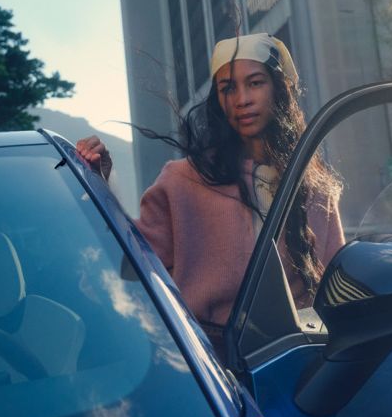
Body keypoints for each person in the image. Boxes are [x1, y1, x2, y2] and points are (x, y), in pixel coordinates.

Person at [76, 33, 344, 348]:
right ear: (218, 99)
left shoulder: (315, 185)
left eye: (255, 83)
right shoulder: (182, 181)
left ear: (280, 89)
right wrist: (101, 181)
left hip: (300, 356)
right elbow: (130, 264)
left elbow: (340, 286)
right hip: (207, 362)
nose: (241, 99)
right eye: (228, 88)